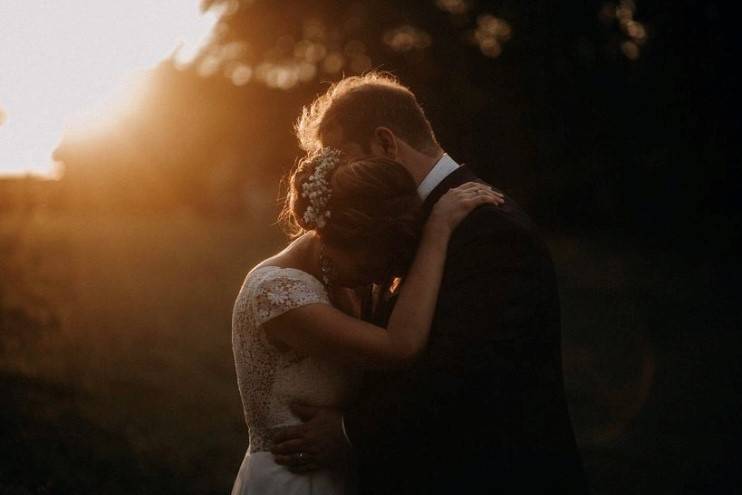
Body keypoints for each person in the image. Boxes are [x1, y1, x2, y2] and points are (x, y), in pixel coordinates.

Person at [269, 72, 591, 494]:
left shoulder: (490, 228)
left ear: (386, 144)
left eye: (344, 160)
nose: (337, 179)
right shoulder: (397, 224)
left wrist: (349, 432)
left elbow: (464, 375)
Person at [230, 146, 503, 494]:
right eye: (367, 267)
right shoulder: (276, 293)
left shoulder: (343, 277)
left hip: (343, 472)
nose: (375, 279)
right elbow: (398, 347)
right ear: (330, 238)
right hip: (294, 479)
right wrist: (438, 231)